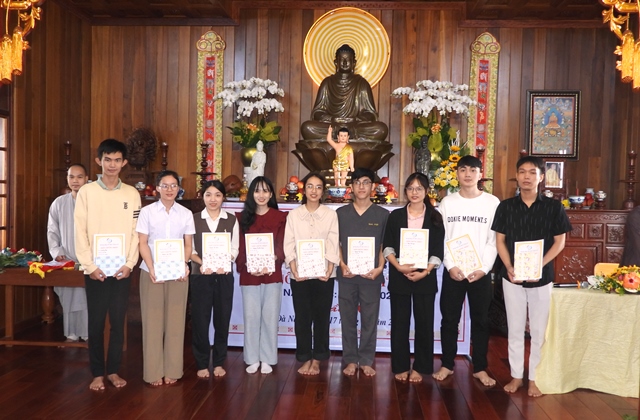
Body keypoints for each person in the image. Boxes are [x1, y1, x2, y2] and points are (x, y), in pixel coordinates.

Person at [491, 156, 572, 397]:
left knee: (539, 330)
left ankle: (536, 377)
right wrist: (508, 266)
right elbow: (500, 240)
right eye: (522, 172)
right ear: (517, 176)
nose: (527, 176)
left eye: (532, 172)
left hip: (542, 277)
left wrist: (539, 264)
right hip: (512, 277)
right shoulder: (506, 207)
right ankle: (516, 376)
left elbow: (560, 242)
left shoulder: (553, 207)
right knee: (515, 329)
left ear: (541, 177)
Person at [74, 139, 141, 391]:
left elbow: (136, 232)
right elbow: (79, 230)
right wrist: (89, 265)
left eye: (117, 160)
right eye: (107, 160)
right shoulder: (87, 192)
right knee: (96, 322)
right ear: (98, 161)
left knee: (117, 321)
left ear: (124, 163)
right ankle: (96, 373)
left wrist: (130, 263)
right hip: (95, 270)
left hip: (121, 270)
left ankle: (112, 370)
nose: (112, 165)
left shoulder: (131, 194)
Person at [432, 156, 500, 387]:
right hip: (455, 272)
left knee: (480, 320)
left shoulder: (492, 203)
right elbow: (443, 238)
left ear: (480, 174)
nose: (468, 174)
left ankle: (480, 367)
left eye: (473, 170)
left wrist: (483, 269)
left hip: (480, 273)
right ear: (457, 174)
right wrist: (451, 266)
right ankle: (447, 364)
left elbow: (494, 241)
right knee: (449, 319)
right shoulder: (448, 203)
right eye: (463, 170)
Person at [382, 172, 444, 383]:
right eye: (410, 188)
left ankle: (421, 366)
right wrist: (398, 266)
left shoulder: (435, 218)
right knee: (399, 323)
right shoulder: (396, 216)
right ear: (405, 191)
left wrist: (425, 271)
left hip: (425, 278)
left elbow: (438, 250)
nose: (414, 193)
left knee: (425, 324)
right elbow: (387, 245)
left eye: (419, 188)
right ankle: (400, 365)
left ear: (426, 191)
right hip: (400, 276)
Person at [136, 170, 195, 386]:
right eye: (165, 185)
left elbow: (188, 245)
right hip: (151, 272)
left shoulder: (185, 214)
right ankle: (153, 372)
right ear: (157, 188)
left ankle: (172, 370)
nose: (170, 189)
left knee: (176, 322)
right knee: (152, 323)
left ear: (179, 188)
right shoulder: (147, 212)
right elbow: (142, 242)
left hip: (178, 273)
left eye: (174, 185)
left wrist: (185, 265)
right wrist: (151, 268)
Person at [283, 171, 339, 375]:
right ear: (303, 190)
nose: (314, 191)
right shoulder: (294, 215)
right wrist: (294, 267)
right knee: (303, 317)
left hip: (324, 273)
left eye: (318, 187)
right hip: (300, 274)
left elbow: (334, 241)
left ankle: (319, 358)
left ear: (323, 191)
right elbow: (288, 243)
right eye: (310, 186)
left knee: (322, 317)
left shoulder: (331, 214)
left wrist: (331, 267)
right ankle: (304, 356)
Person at [336, 167, 388, 376]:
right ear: (351, 187)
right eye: (357, 182)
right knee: (347, 318)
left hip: (371, 276)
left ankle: (366, 359)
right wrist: (341, 264)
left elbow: (385, 245)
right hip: (347, 275)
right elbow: (336, 243)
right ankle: (350, 359)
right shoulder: (340, 214)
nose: (361, 186)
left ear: (373, 187)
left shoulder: (383, 214)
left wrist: (380, 267)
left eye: (366, 182)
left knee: (369, 319)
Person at [235, 176, 287, 375]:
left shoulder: (280, 217)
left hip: (271, 273)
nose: (261, 195)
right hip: (250, 274)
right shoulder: (241, 219)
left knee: (270, 316)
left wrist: (274, 257)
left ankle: (267, 358)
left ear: (271, 194)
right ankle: (252, 358)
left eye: (266, 191)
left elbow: (283, 244)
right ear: (251, 194)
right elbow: (239, 246)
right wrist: (247, 263)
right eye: (257, 191)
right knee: (251, 316)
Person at [189, 180, 239, 378]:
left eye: (217, 195)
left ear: (223, 198)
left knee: (222, 318)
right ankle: (201, 363)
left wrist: (226, 261)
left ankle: (219, 362)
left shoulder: (231, 219)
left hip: (224, 275)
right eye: (208, 194)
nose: (213, 199)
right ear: (203, 196)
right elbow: (190, 249)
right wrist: (203, 264)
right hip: (200, 275)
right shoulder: (193, 219)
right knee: (200, 320)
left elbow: (235, 248)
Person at [300, 44, 388, 141]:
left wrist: (355, 120)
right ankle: (340, 134)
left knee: (381, 129)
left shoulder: (362, 83)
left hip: (355, 126)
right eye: (342, 59)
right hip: (332, 126)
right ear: (336, 62)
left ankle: (344, 134)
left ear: (354, 63)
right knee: (307, 127)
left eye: (348, 60)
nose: (345, 63)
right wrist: (333, 120)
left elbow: (371, 114)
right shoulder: (327, 83)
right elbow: (318, 112)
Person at [47, 163, 89, 343]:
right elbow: (52, 230)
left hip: (88, 260)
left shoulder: (93, 201)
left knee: (87, 299)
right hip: (67, 258)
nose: (75, 181)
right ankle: (70, 333)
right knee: (69, 296)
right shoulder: (59, 203)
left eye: (79, 177)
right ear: (67, 179)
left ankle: (88, 333)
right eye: (71, 177)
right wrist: (56, 251)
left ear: (87, 179)